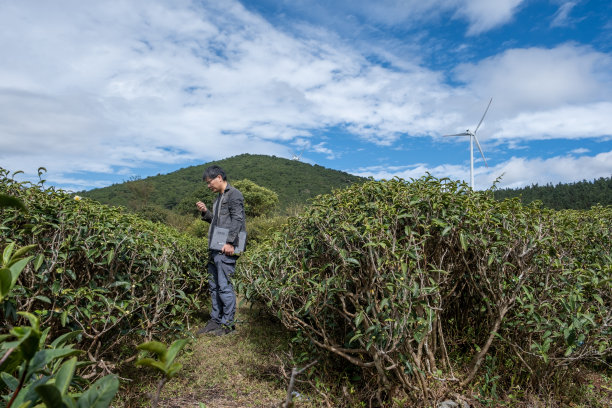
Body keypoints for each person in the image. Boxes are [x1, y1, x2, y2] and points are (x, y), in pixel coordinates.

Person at [196, 165, 247, 336]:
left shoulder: (234, 194)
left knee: (224, 286)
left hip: (226, 248)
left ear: (219, 177)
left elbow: (238, 219)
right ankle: (215, 320)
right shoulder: (218, 198)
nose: (208, 186)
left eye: (209, 182)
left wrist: (231, 243)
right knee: (215, 286)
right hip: (215, 246)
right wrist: (205, 212)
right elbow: (217, 222)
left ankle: (228, 325)